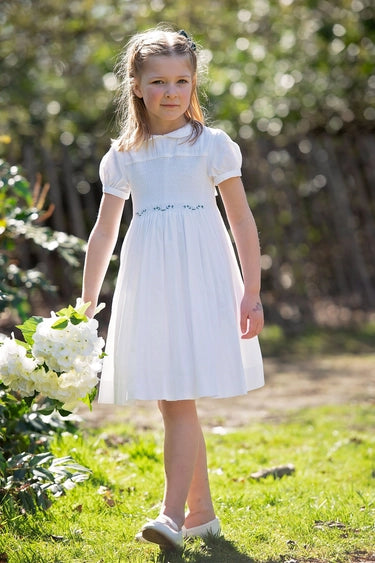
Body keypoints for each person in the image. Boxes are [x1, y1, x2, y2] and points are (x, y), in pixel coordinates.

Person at [81, 26, 264, 550]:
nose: (171, 92)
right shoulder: (124, 154)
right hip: (151, 280)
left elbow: (243, 222)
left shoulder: (211, 146)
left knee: (178, 398)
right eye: (158, 81)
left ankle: (171, 515)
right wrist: (88, 299)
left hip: (202, 278)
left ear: (194, 84)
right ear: (136, 86)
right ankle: (201, 513)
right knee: (171, 399)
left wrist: (251, 292)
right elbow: (104, 231)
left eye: (182, 80)